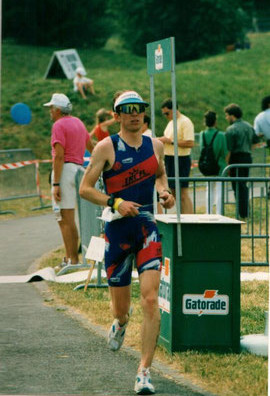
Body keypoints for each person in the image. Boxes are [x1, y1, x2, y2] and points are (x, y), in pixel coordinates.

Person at [79, 90, 175, 395]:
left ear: (144, 113)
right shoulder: (106, 147)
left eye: (140, 110)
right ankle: (120, 323)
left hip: (147, 228)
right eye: (127, 110)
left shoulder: (155, 145)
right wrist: (114, 201)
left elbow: (160, 176)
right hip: (118, 233)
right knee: (121, 309)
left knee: (150, 299)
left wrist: (165, 192)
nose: (135, 115)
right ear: (117, 115)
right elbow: (84, 188)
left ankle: (144, 372)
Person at [43, 93, 93, 267]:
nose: (50, 111)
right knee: (72, 218)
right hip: (79, 170)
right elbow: (91, 145)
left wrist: (55, 183)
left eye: (51, 108)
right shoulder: (78, 122)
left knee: (64, 218)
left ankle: (71, 259)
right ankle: (73, 258)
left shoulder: (58, 125)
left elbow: (59, 156)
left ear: (57, 109)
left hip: (64, 172)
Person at [158, 98, 194, 213]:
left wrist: (170, 141)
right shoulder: (171, 123)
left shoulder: (185, 122)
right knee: (174, 192)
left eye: (167, 113)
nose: (166, 116)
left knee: (182, 193)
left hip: (181, 159)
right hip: (170, 158)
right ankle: (182, 217)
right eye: (164, 114)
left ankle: (188, 220)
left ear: (174, 110)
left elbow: (190, 143)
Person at [224, 103, 259, 219]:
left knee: (237, 186)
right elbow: (255, 141)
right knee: (243, 184)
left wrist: (227, 164)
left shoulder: (231, 129)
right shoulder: (249, 126)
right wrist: (249, 150)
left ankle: (242, 212)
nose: (226, 118)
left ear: (232, 116)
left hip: (236, 158)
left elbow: (229, 149)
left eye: (227, 115)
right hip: (247, 157)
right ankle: (245, 211)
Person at [199, 111, 228, 214]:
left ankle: (208, 212)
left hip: (207, 166)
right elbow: (224, 152)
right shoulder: (220, 135)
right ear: (215, 122)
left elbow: (201, 150)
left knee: (209, 188)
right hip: (219, 165)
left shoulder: (202, 134)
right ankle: (219, 212)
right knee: (220, 189)